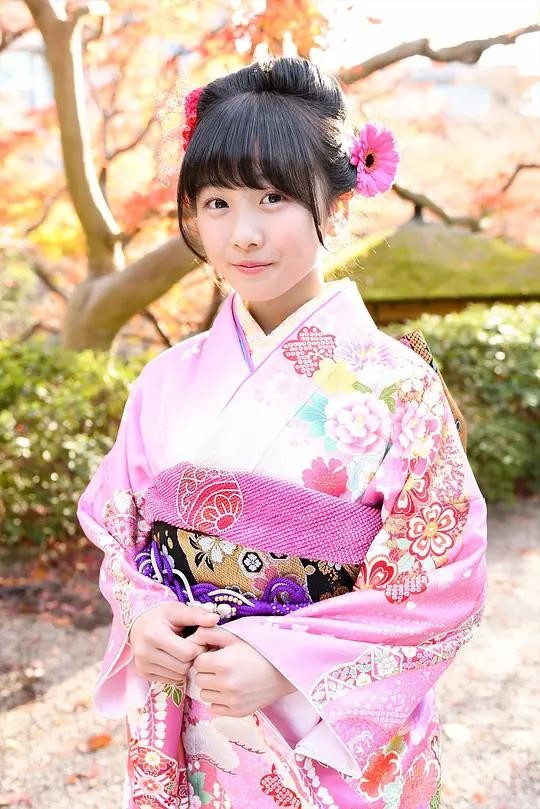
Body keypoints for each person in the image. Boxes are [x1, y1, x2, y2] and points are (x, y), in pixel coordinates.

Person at [77, 56, 487, 809]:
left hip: (321, 726)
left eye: (273, 197)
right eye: (218, 203)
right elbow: (120, 534)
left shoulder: (398, 385)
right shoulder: (164, 380)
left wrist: (288, 661)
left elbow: (443, 578)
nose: (245, 233)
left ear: (336, 204)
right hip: (197, 708)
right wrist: (144, 617)